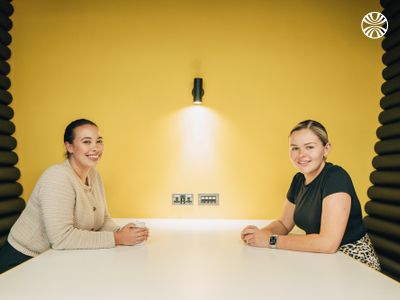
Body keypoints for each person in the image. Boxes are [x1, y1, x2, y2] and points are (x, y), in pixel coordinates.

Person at [0, 119, 149, 273]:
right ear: (69, 146)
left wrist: (123, 232)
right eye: (86, 142)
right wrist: (117, 238)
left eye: (99, 141)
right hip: (22, 261)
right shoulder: (57, 177)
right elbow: (61, 238)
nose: (95, 148)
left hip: (53, 258)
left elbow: (102, 220)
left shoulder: (94, 175)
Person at [241, 120, 380, 271]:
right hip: (323, 258)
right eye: (295, 148)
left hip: (354, 262)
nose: (301, 155)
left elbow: (328, 243)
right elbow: (283, 223)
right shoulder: (299, 179)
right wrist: (259, 235)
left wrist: (270, 240)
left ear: (326, 149)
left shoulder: (336, 177)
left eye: (310, 147)